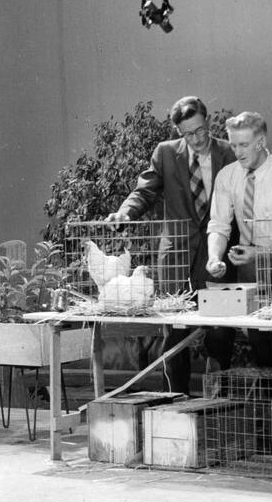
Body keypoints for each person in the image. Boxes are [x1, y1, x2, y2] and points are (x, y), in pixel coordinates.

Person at [105, 96, 238, 394]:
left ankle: (217, 402)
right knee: (176, 337)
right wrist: (125, 212)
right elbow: (145, 191)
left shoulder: (228, 153)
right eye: (188, 134)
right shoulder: (165, 154)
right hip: (177, 259)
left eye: (201, 130)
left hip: (217, 258)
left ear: (209, 121)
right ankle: (174, 403)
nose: (198, 138)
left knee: (221, 335)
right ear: (179, 132)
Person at [206, 111, 272, 369]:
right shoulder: (227, 177)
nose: (237, 151)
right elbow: (219, 225)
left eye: (244, 145)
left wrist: (259, 253)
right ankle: (271, 407)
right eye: (233, 145)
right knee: (261, 352)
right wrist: (214, 257)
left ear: (261, 142)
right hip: (250, 274)